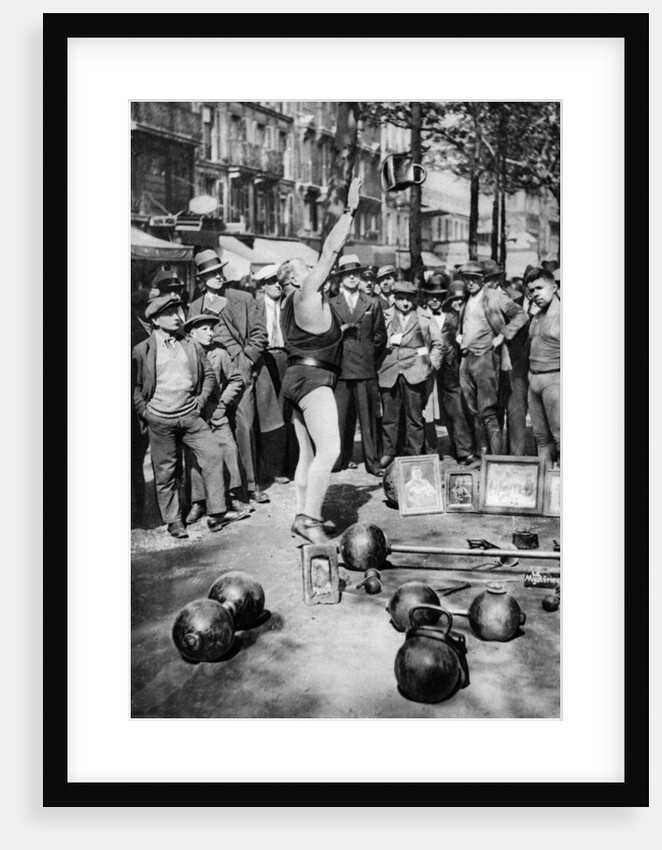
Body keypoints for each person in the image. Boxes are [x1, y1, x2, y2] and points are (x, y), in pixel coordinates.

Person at [277, 176, 363, 544]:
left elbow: (313, 339)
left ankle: (302, 515)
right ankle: (310, 518)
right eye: (305, 268)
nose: (313, 270)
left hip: (296, 379)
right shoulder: (305, 292)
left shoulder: (288, 306)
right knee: (331, 449)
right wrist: (350, 209)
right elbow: (330, 251)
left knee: (308, 454)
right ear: (293, 279)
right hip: (313, 383)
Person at [131, 294, 234, 538]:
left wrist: (199, 402)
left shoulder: (190, 344)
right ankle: (174, 520)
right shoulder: (141, 350)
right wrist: (144, 411)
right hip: (160, 419)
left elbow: (208, 374)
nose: (177, 317)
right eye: (169, 314)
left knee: (213, 455)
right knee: (166, 472)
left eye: (178, 311)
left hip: (190, 416)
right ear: (155, 320)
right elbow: (134, 385)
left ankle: (216, 512)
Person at [188, 248, 270, 506]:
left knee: (244, 426)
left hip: (239, 368)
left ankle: (252, 485)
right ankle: (222, 489)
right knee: (213, 429)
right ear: (202, 279)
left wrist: (245, 361)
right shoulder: (195, 306)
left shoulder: (242, 298)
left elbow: (260, 335)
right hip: (210, 373)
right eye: (210, 274)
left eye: (219, 271)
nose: (217, 277)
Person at [183, 314, 251, 528]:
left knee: (228, 449)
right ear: (192, 333)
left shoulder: (219, 353)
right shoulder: (183, 354)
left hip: (216, 413)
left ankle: (231, 496)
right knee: (194, 459)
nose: (210, 333)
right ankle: (199, 501)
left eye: (212, 329)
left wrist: (222, 405)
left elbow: (236, 379)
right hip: (193, 415)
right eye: (204, 329)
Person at [456, 261, 528, 456]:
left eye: (474, 278)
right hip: (467, 358)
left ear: (482, 279)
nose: (470, 283)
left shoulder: (494, 296)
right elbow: (465, 323)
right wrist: (459, 335)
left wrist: (502, 335)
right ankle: (483, 455)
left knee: (488, 412)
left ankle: (494, 460)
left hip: (485, 359)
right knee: (474, 412)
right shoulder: (467, 299)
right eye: (466, 279)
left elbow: (521, 315)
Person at [329, 254, 387, 477]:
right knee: (339, 418)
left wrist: (368, 352)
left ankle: (372, 462)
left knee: (368, 419)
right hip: (341, 369)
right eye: (347, 274)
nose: (352, 277)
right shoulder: (332, 303)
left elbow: (380, 336)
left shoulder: (372, 302)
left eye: (355, 273)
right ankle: (339, 459)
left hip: (365, 369)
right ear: (341, 277)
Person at [378, 279, 443, 466]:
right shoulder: (385, 316)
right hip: (389, 370)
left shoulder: (424, 317)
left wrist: (431, 366)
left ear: (414, 299)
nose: (405, 303)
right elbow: (376, 339)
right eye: (400, 299)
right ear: (394, 299)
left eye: (408, 299)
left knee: (414, 417)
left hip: (415, 372)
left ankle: (414, 455)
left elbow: (439, 344)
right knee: (389, 417)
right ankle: (389, 453)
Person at [421, 278, 480, 467]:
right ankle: (427, 451)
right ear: (426, 297)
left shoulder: (453, 316)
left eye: (439, 296)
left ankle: (463, 451)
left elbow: (463, 336)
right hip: (425, 368)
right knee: (426, 410)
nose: (435, 300)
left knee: (456, 410)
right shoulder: (420, 316)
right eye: (431, 297)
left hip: (450, 369)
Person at [254, 264, 296, 484]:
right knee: (268, 415)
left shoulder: (289, 306)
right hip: (265, 361)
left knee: (287, 412)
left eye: (279, 281)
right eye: (271, 282)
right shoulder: (256, 307)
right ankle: (269, 467)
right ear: (262, 285)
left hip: (287, 360)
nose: (277, 286)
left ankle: (286, 466)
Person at [526, 267, 560, 465]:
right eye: (531, 290)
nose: (535, 294)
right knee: (541, 439)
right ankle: (544, 489)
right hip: (534, 381)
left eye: (539, 288)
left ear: (554, 287)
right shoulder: (537, 314)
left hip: (554, 380)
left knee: (561, 438)